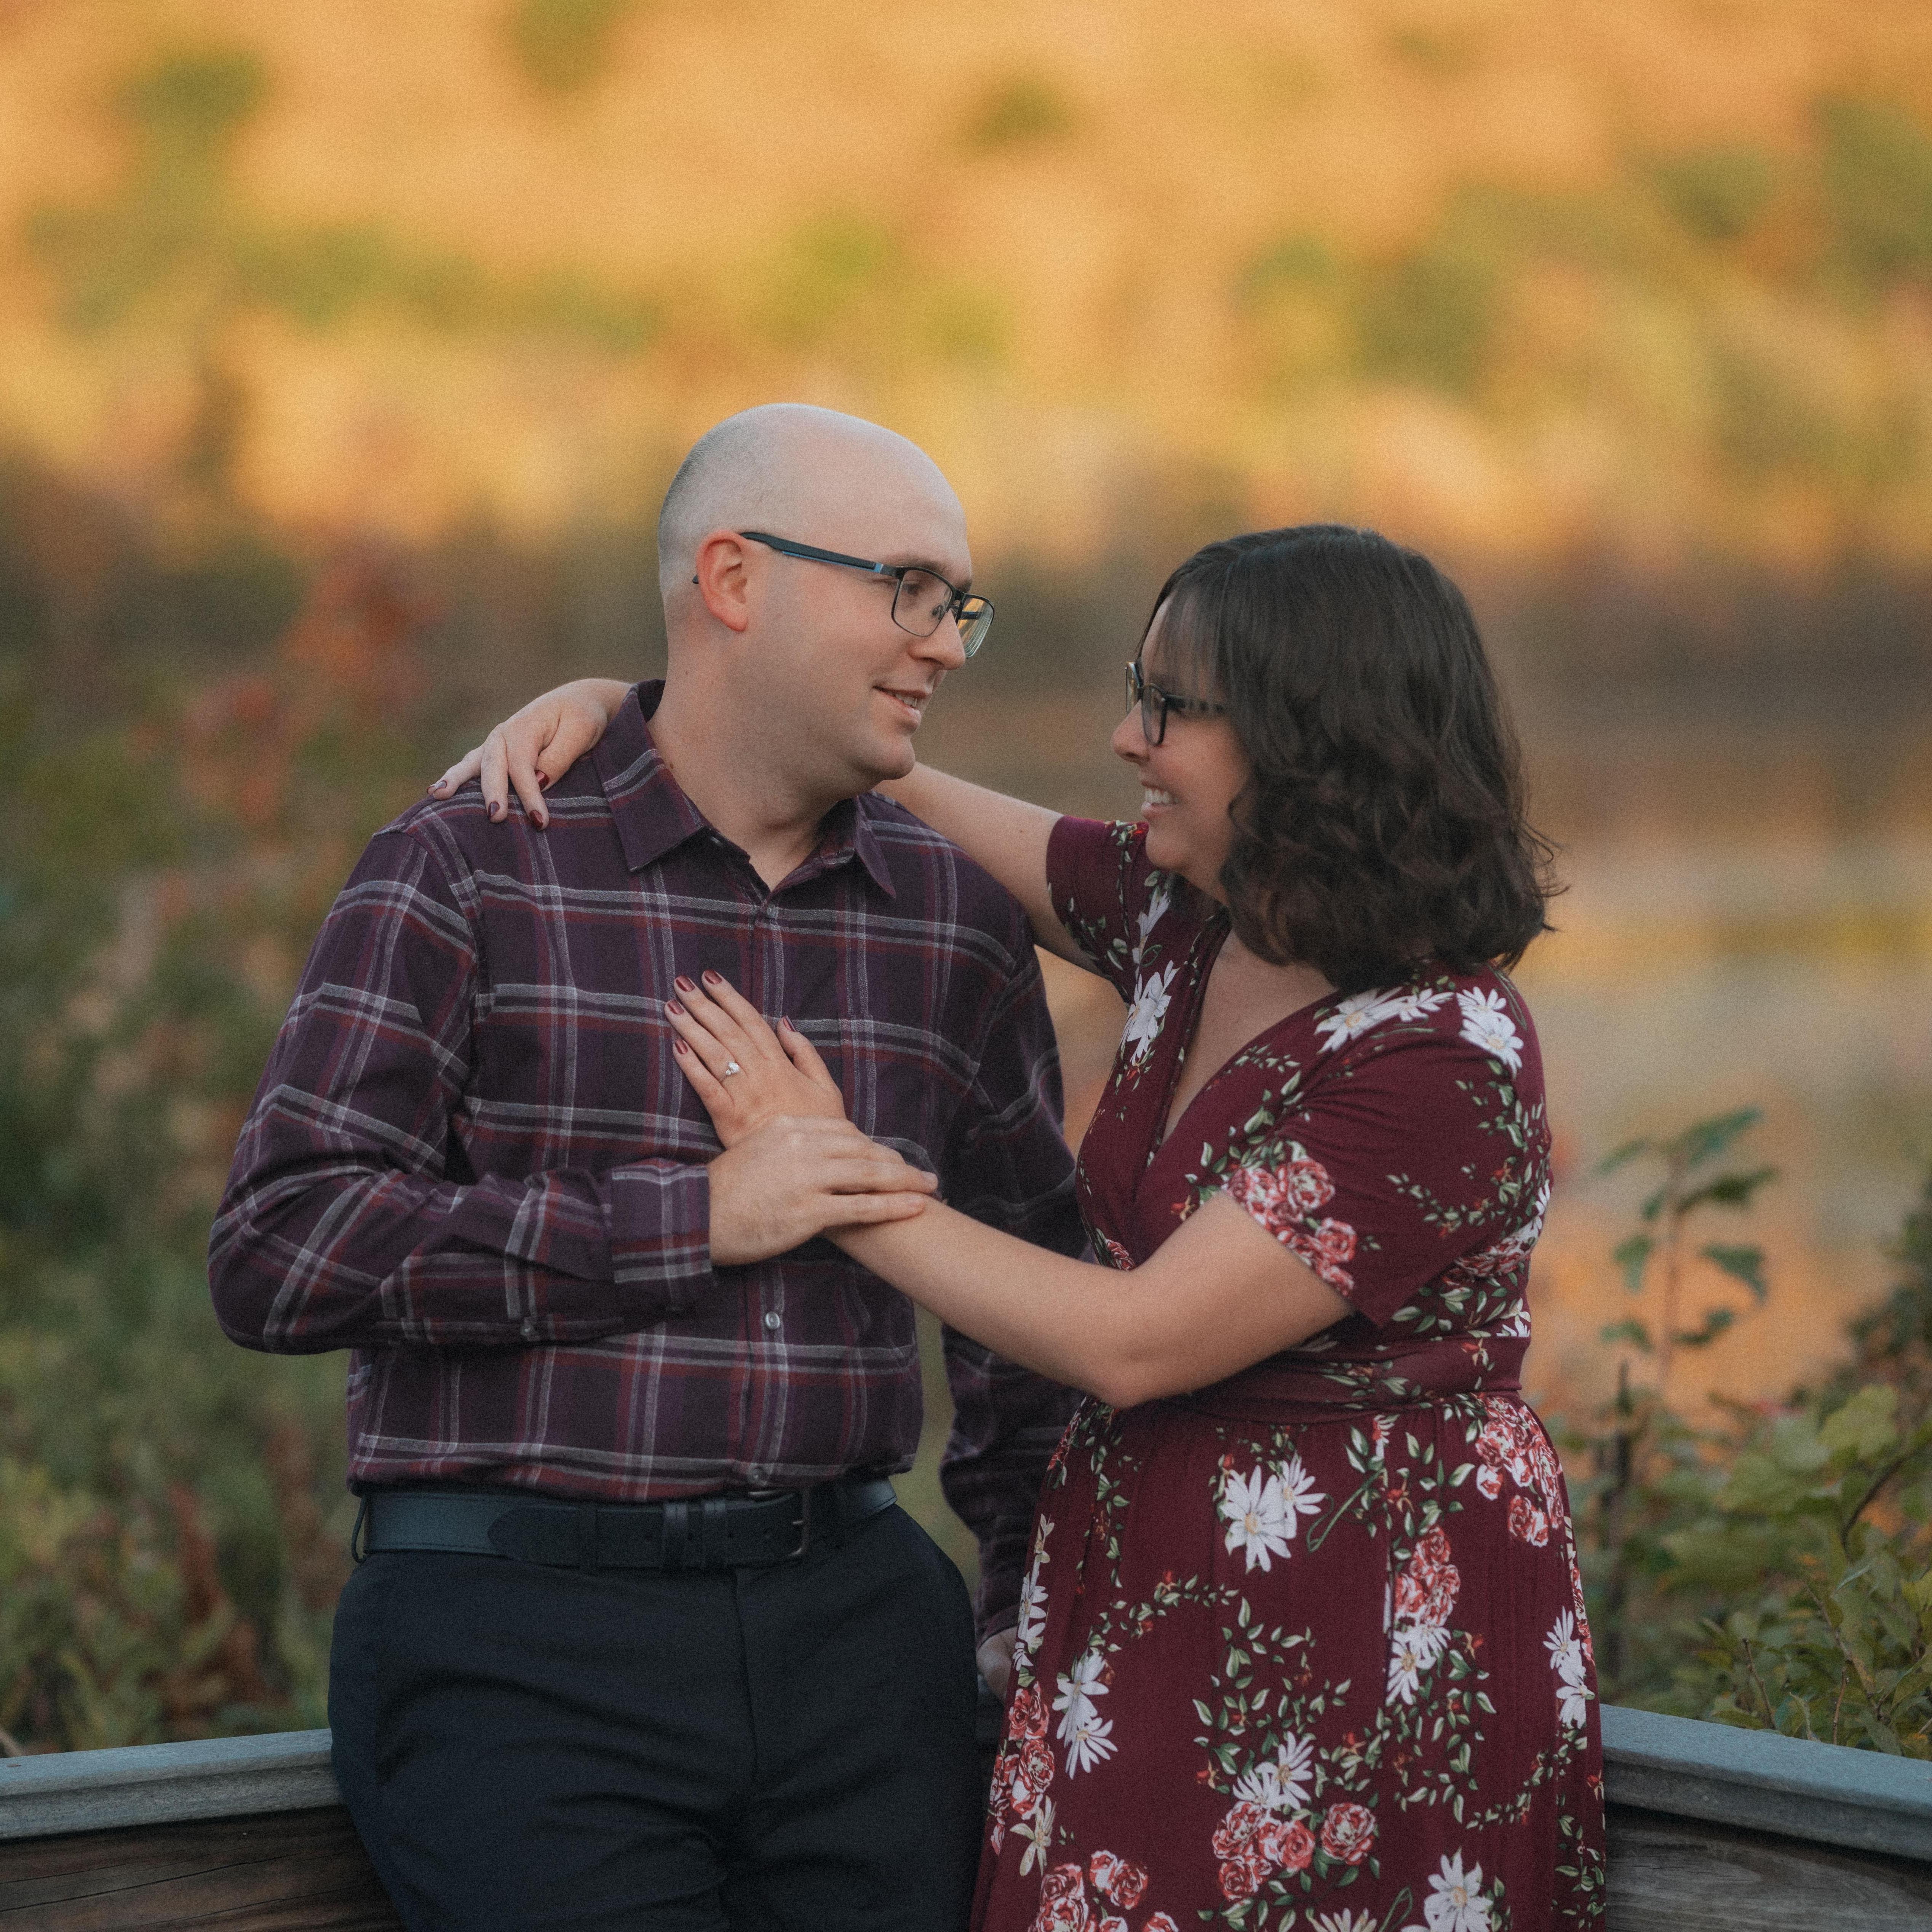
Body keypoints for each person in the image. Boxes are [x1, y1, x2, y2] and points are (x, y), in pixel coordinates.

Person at [456, 523, 1607, 1930]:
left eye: (1173, 706)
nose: (1128, 737)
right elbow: (905, 787)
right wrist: (646, 714)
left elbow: (1132, 1339)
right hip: (1163, 1615)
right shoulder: (1192, 919)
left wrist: (822, 1177)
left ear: (1310, 741)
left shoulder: (1442, 1056)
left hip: (1357, 1633)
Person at [208, 403, 1090, 1932]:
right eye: (907, 590)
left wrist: (1023, 1609)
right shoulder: (471, 861)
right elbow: (281, 1245)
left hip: (864, 1649)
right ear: (734, 582)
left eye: (961, 605)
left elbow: (1031, 1319)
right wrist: (688, 1221)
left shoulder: (954, 921)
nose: (946, 641)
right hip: (519, 1647)